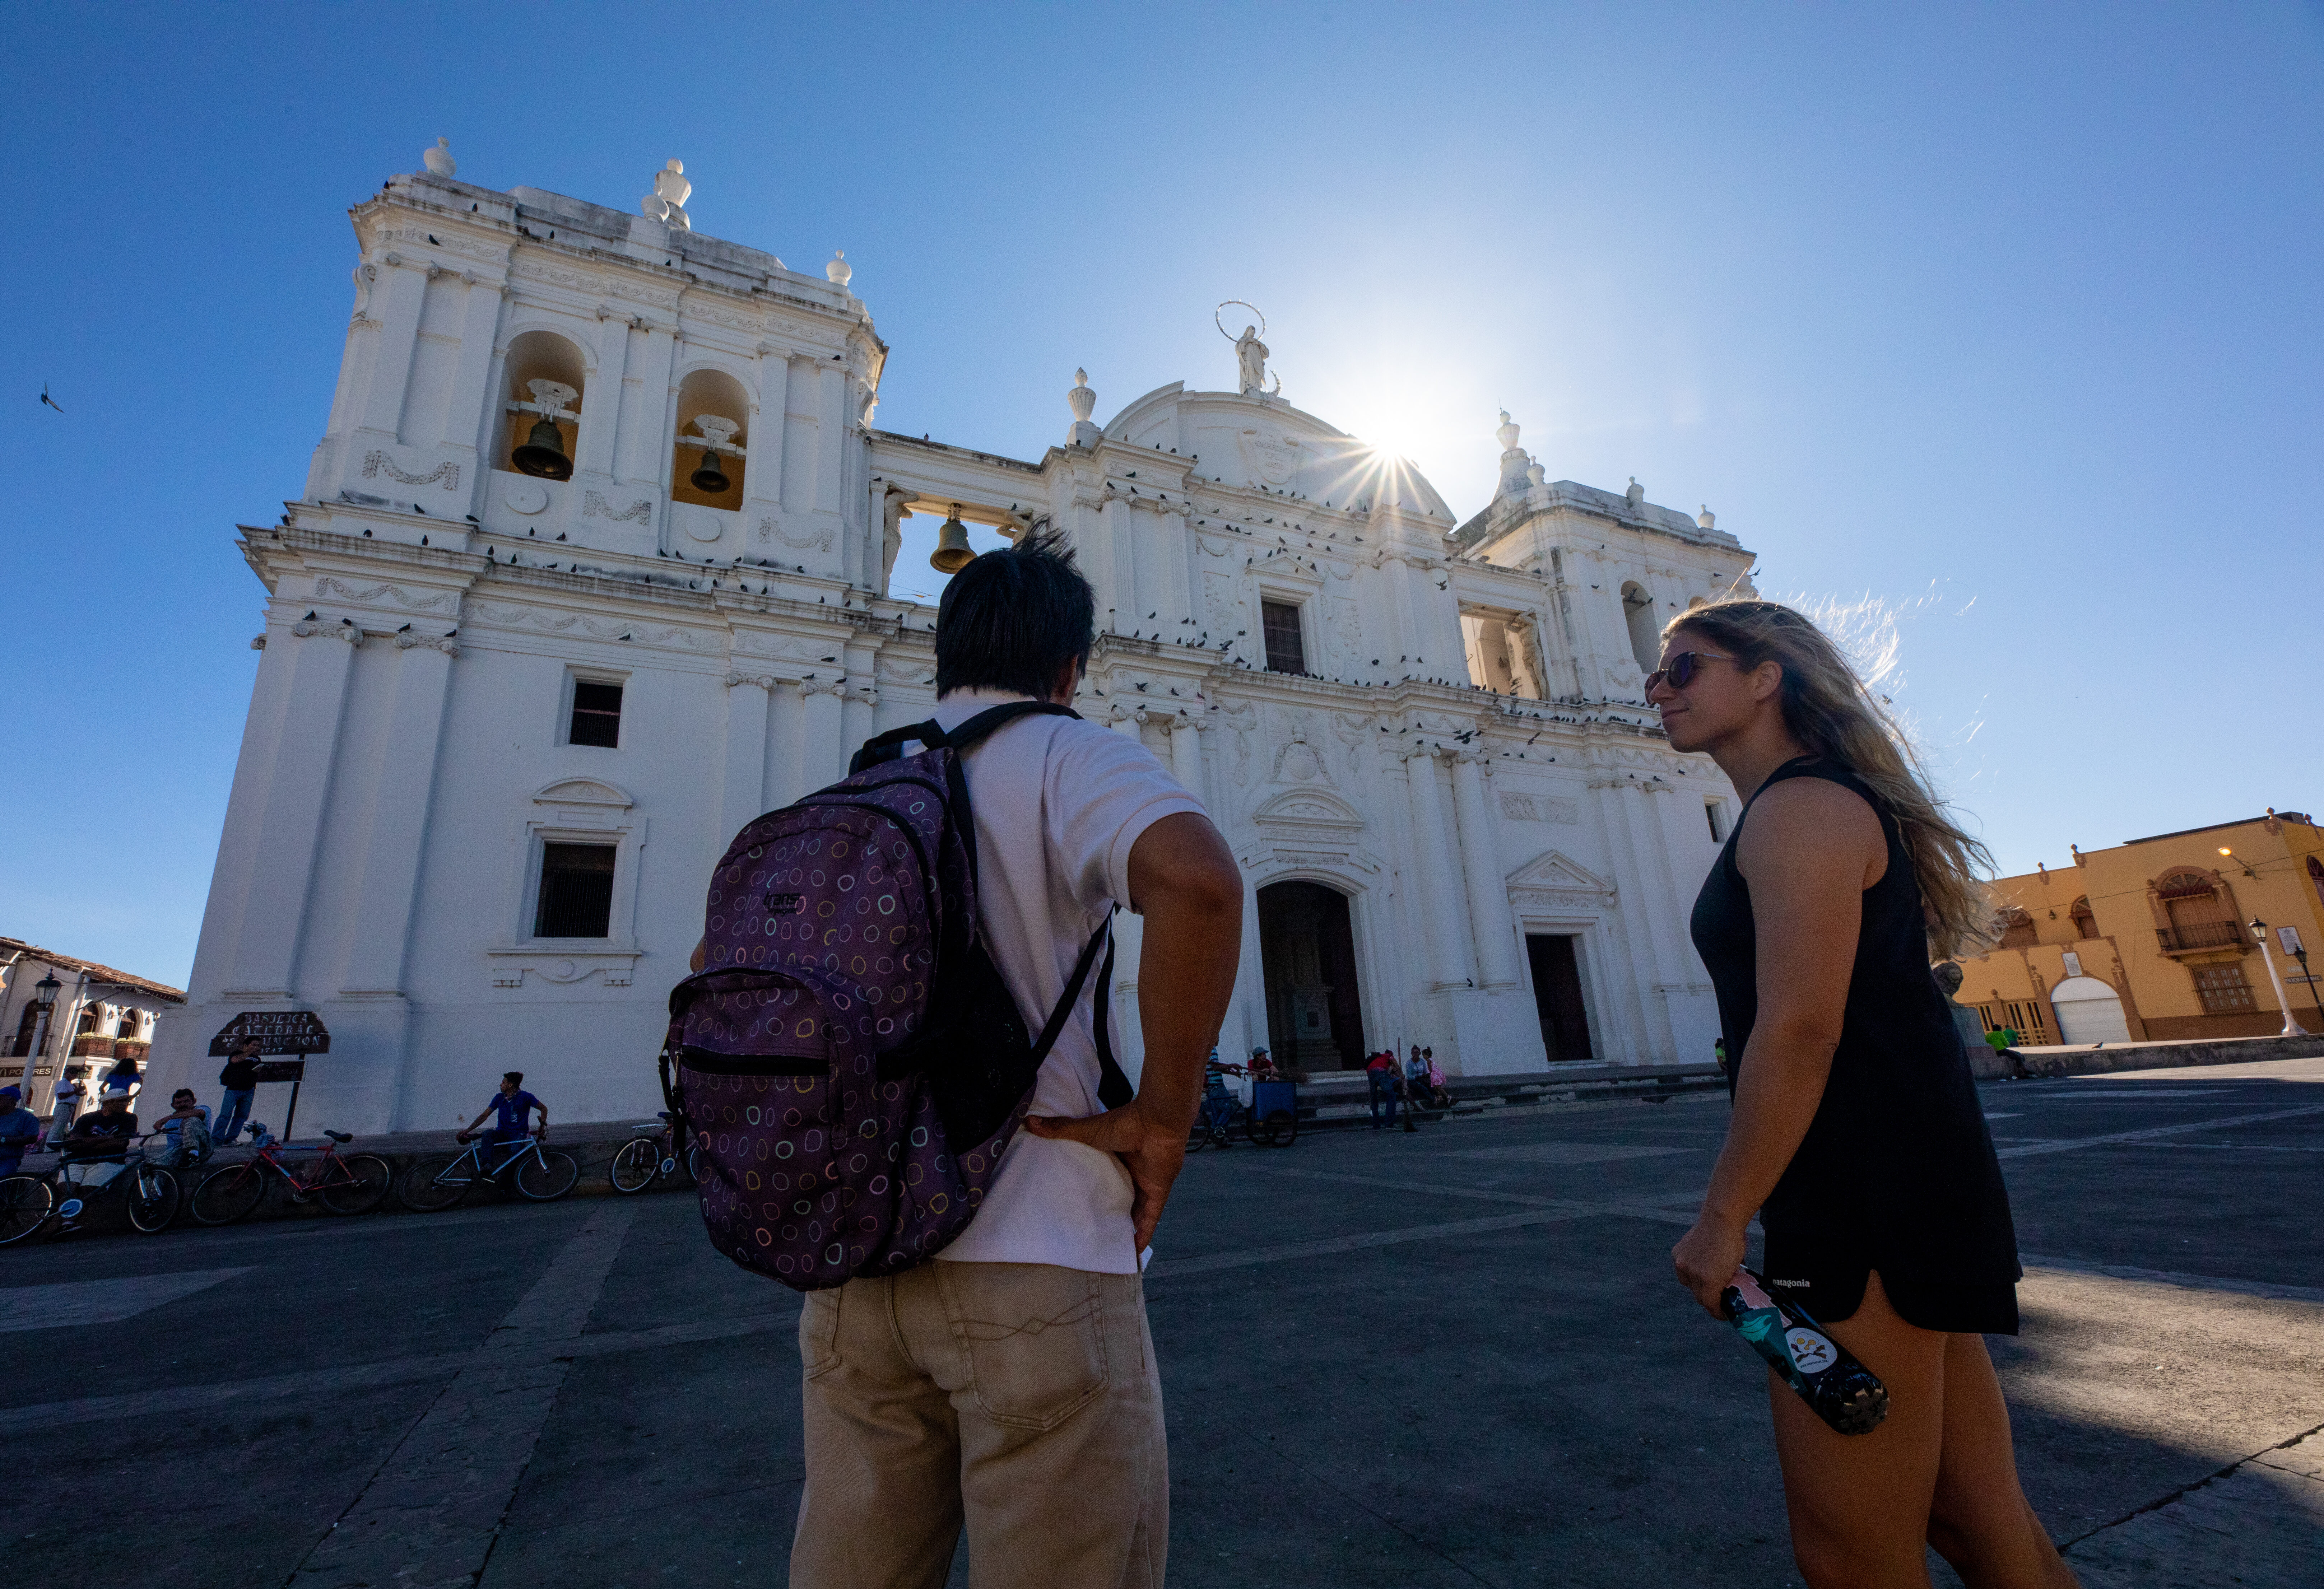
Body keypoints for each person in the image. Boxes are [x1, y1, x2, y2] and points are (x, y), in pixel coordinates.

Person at [786, 531, 1242, 1589]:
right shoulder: (1064, 750)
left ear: (944, 651)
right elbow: (1201, 882)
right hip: (1036, 1253)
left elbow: (725, 966)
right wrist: (1163, 1118)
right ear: (1069, 665)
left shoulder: (860, 780)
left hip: (858, 1267)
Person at [1653, 598, 2076, 1588]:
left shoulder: (1801, 811)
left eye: (1685, 667)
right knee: (1980, 1523)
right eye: (1659, 672)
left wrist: (1722, 1220)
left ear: (1766, 678)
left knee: (1850, 1555)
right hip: (1908, 1195)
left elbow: (1801, 1028)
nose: (1658, 687)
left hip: (1865, 1207)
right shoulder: (1808, 806)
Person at [458, 1072, 547, 1169]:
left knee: (515, 1153)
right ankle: (487, 1165)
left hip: (519, 1135)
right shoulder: (499, 1098)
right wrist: (468, 1130)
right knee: (488, 1134)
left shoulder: (526, 1097)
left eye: (503, 1082)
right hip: (502, 1133)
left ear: (510, 1085)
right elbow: (484, 1116)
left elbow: (544, 1109)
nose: (501, 1085)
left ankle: (507, 1179)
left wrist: (541, 1127)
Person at [57, 1091, 140, 1190]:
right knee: (66, 1190)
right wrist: (110, 1137)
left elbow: (120, 1143)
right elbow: (74, 1143)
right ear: (107, 1103)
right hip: (77, 1159)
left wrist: (86, 1143)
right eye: (120, 1101)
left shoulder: (129, 1118)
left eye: (127, 1101)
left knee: (89, 1191)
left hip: (108, 1160)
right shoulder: (87, 1118)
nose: (125, 1104)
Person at [215, 1037, 262, 1147]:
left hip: (249, 1090)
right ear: (246, 1045)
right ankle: (217, 1139)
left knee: (241, 1116)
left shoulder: (257, 1059)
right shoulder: (236, 1054)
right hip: (234, 1089)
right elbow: (235, 1061)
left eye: (258, 1045)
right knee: (225, 1115)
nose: (257, 1048)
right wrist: (249, 1052)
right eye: (254, 1045)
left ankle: (231, 1138)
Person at [150, 1089, 213, 1169]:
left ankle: (193, 1155)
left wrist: (167, 1118)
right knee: (150, 1166)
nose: (183, 1105)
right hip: (180, 1152)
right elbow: (172, 1147)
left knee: (191, 1120)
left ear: (194, 1102)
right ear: (173, 1106)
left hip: (202, 1148)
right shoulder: (170, 1122)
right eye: (179, 1103)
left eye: (186, 1101)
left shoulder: (203, 1109)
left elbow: (199, 1113)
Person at [0, 1086, 43, 1178]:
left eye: (1, 1098)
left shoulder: (27, 1118)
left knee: (3, 1183)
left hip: (9, 1158)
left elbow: (32, 1138)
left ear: (12, 1100)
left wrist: (4, 1140)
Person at [45, 1066, 89, 1148]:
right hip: (64, 1107)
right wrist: (76, 1091)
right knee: (58, 1127)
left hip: (69, 1108)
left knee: (63, 1128)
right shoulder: (63, 1083)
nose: (74, 1075)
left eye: (76, 1074)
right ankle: (49, 1148)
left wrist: (80, 1091)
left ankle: (56, 1146)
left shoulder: (70, 1084)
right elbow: (61, 1096)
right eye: (72, 1073)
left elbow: (76, 1094)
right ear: (67, 1073)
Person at [1365, 1049, 1402, 1131]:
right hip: (1381, 1072)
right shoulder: (1389, 1056)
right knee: (1391, 1096)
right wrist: (1401, 1074)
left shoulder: (1378, 1058)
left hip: (1370, 1073)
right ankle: (1389, 1124)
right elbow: (1396, 1065)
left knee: (1374, 1099)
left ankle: (1376, 1126)